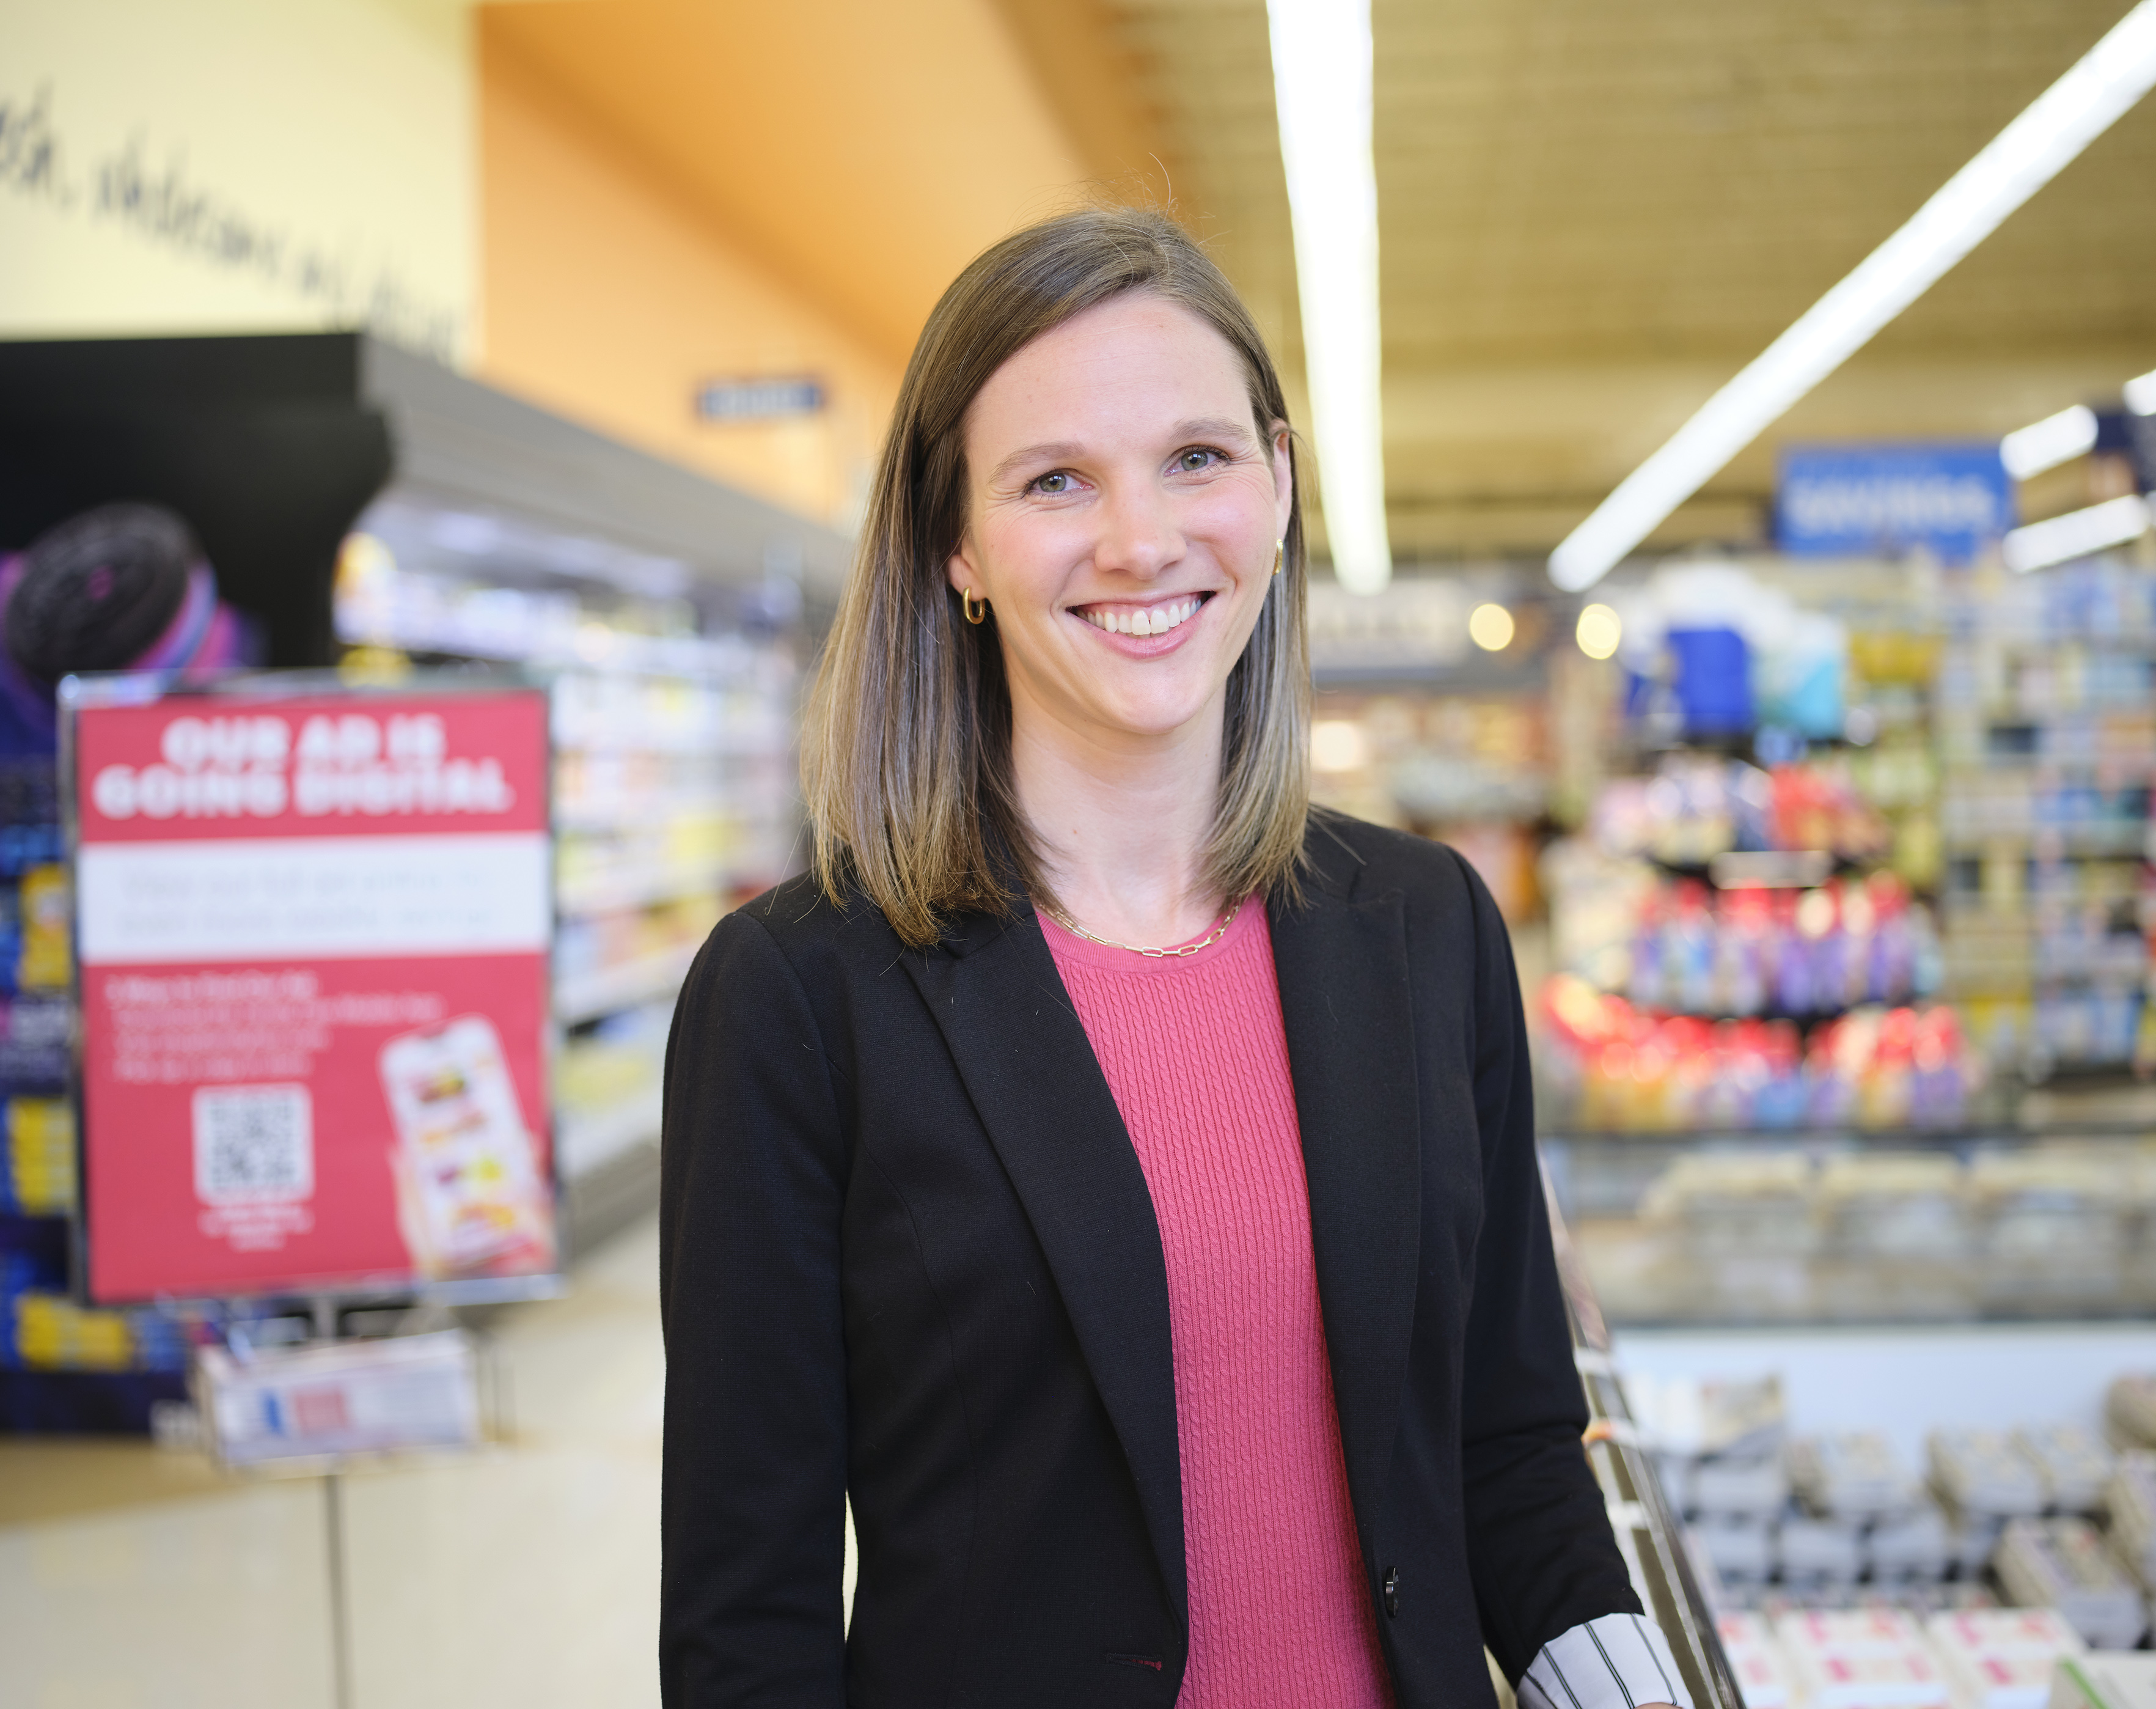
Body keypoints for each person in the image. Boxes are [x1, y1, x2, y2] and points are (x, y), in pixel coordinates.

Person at [658, 206, 1690, 1709]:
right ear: (957, 541)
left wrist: (1620, 1671)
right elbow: (747, 1609)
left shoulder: (1422, 926)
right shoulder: (804, 992)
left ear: (1275, 485)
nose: (1141, 540)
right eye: (1055, 479)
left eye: (1196, 458)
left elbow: (1507, 1437)